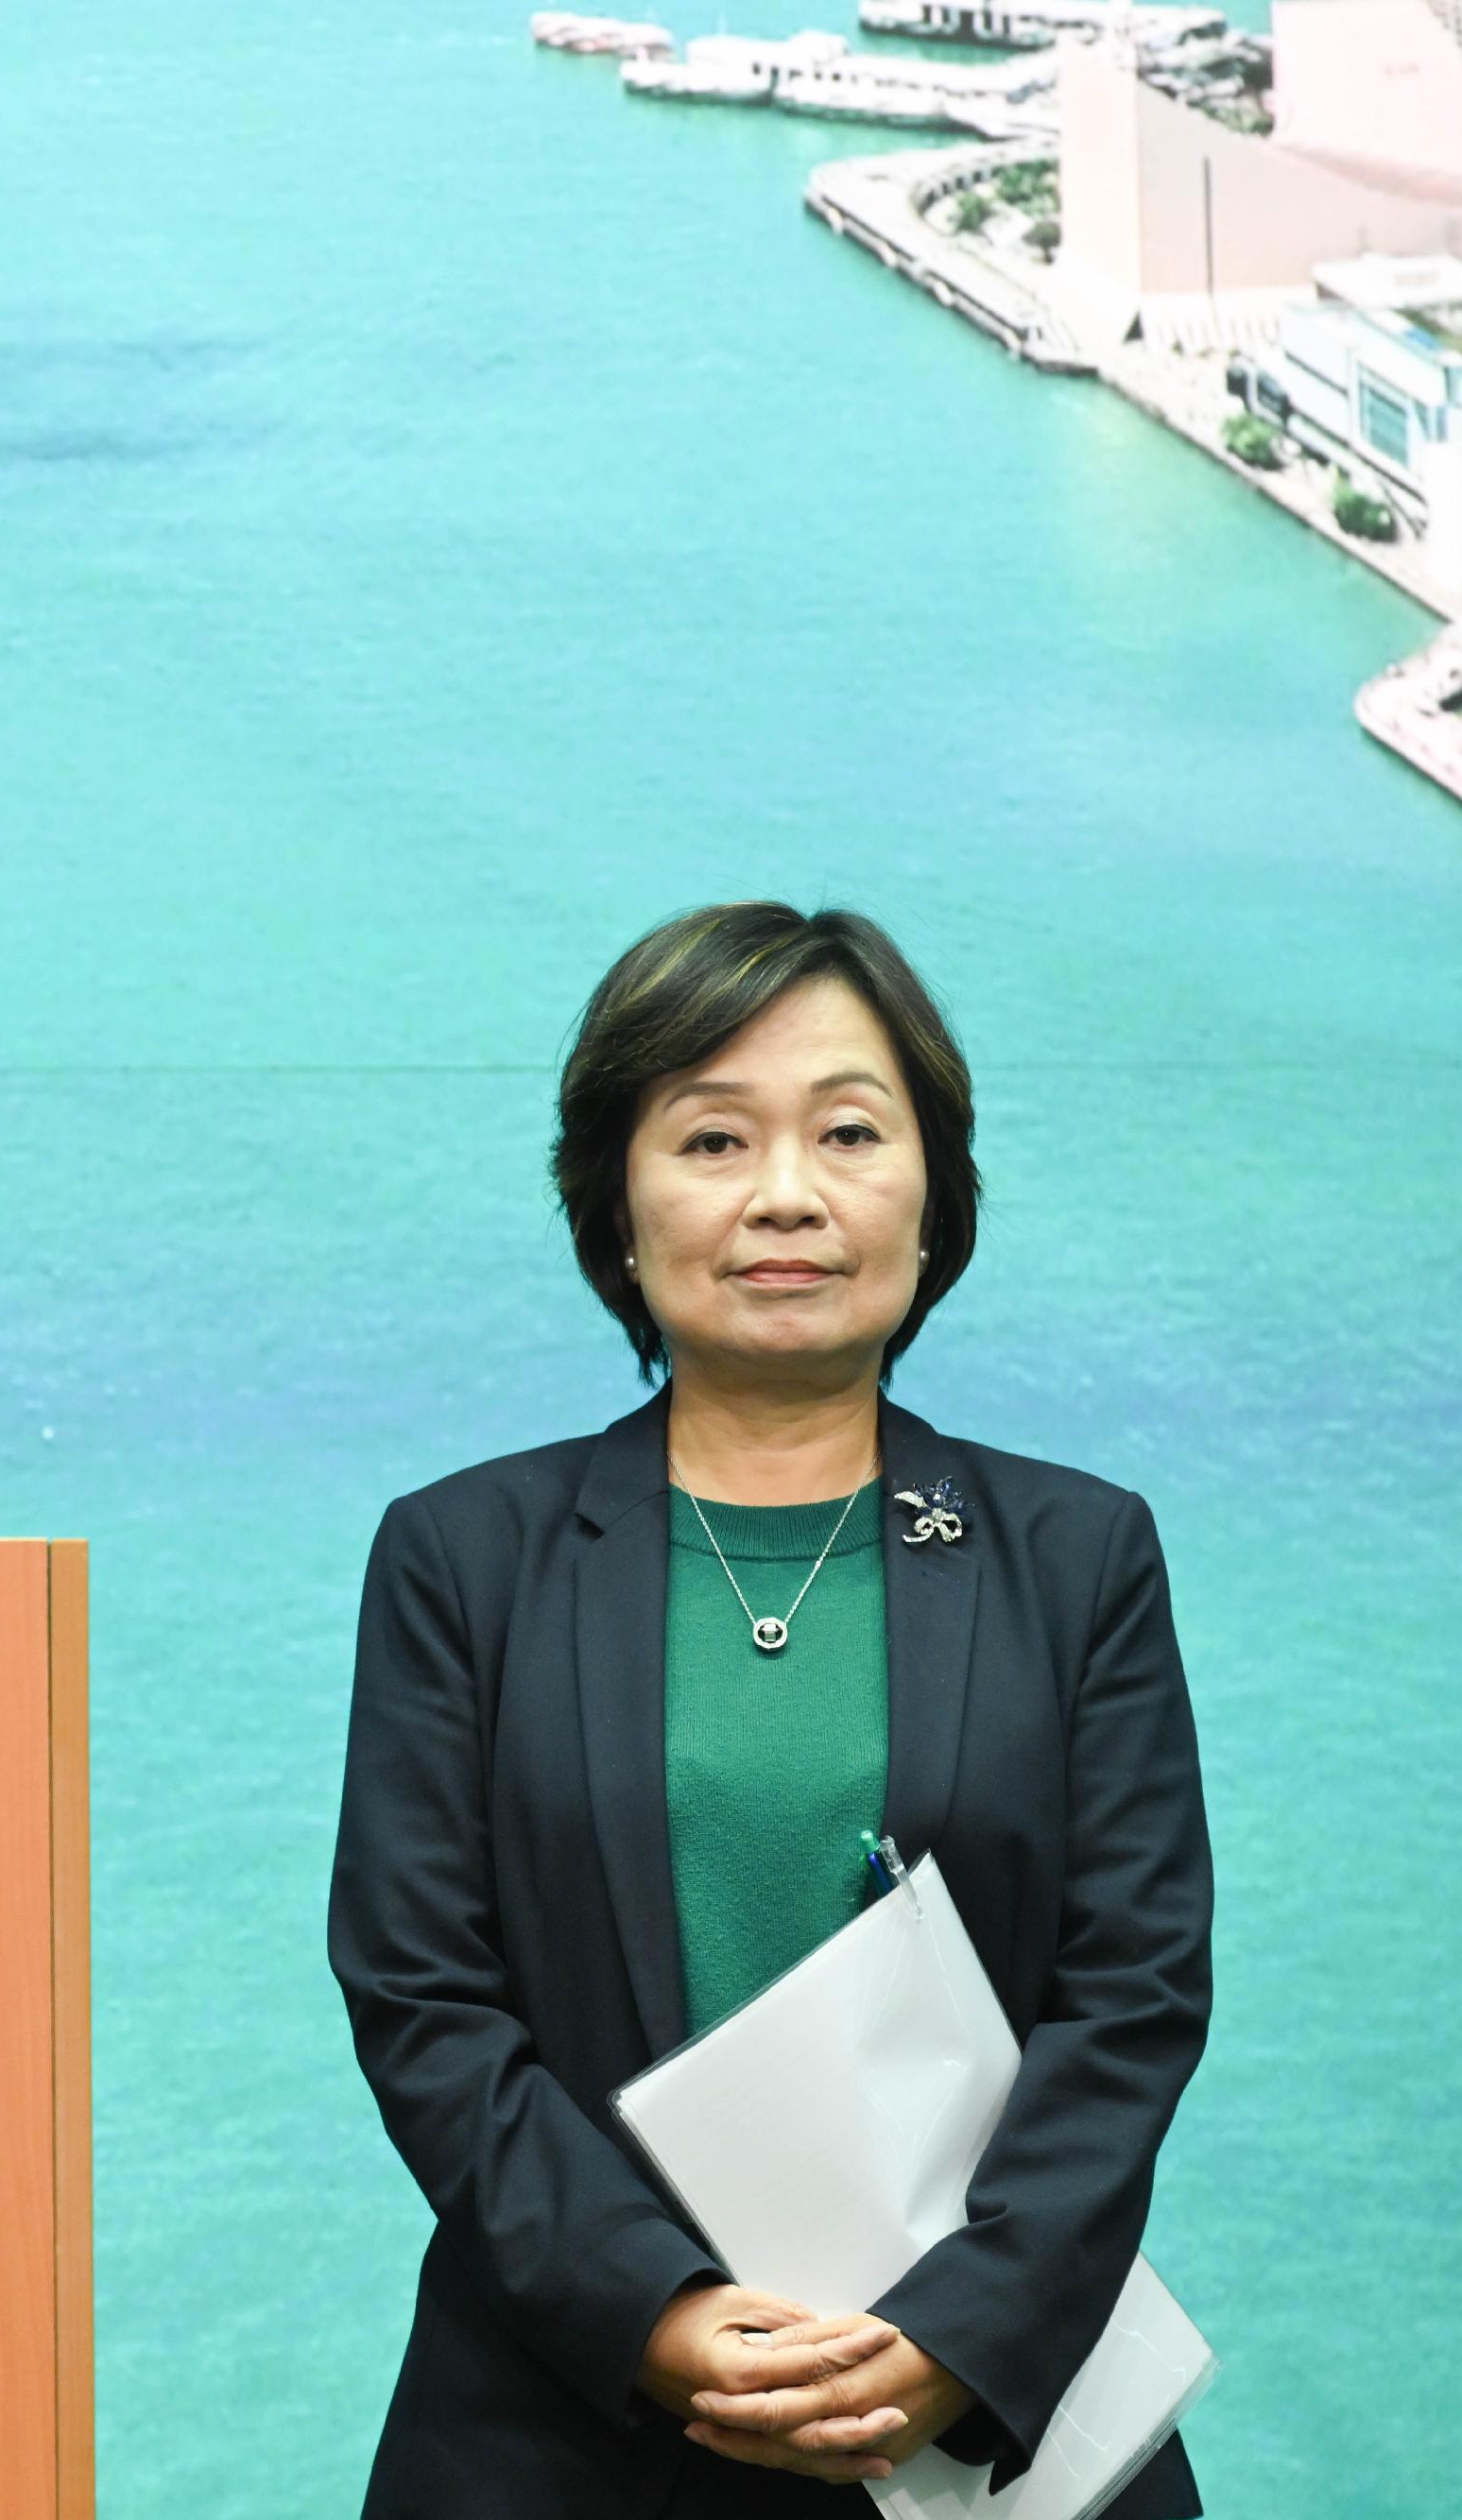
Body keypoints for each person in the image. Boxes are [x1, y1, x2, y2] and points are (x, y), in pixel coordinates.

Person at [328, 904, 1213, 2517]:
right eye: (714, 1138)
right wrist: (654, 2314)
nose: (786, 1193)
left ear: (933, 1200)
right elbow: (421, 1994)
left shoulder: (1077, 1554)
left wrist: (960, 2331)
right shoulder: (466, 1557)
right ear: (618, 1207)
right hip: (562, 2432)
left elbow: (1134, 1991)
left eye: (850, 1133)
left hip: (983, 2437)